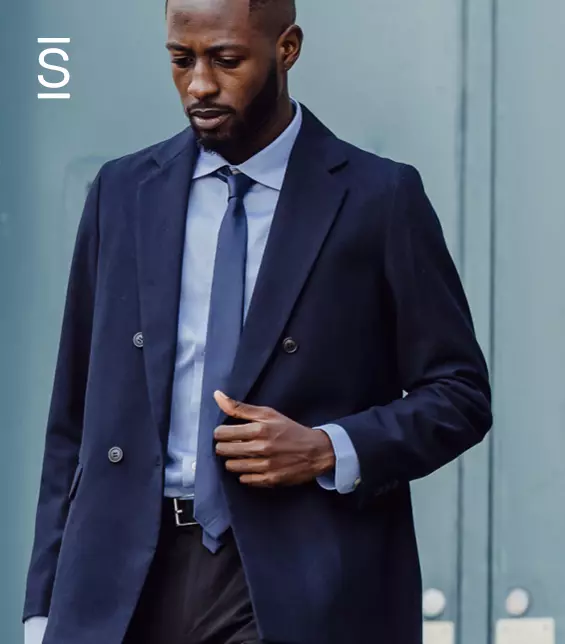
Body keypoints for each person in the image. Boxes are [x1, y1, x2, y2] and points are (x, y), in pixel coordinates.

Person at [23, 0, 492, 642]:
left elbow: (460, 394)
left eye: (226, 59)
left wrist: (329, 447)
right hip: (119, 583)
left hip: (293, 581)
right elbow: (71, 420)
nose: (199, 84)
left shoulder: (379, 199)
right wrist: (44, 605)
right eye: (180, 60)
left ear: (287, 48)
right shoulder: (121, 193)